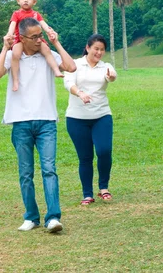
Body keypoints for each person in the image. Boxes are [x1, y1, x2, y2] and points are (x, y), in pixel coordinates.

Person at [0, 17, 76, 233]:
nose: (39, 40)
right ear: (23, 37)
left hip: (46, 120)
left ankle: (53, 217)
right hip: (20, 121)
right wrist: (4, 48)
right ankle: (31, 216)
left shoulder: (48, 54)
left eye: (41, 35)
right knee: (25, 172)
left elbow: (71, 66)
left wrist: (55, 42)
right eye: (35, 37)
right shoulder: (13, 56)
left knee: (49, 170)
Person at [63, 34, 117, 206]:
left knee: (104, 150)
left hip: (101, 115)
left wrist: (112, 77)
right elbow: (68, 82)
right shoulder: (75, 64)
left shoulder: (105, 66)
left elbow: (112, 76)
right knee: (85, 157)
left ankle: (104, 187)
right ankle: (87, 193)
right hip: (76, 118)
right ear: (88, 48)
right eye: (96, 49)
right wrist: (80, 93)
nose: (99, 52)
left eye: (102, 49)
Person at [6, 0, 63, 92]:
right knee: (15, 54)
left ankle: (56, 70)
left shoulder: (36, 14)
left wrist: (49, 31)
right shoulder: (16, 14)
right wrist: (10, 34)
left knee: (46, 50)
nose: (26, 0)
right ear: (18, 1)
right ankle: (15, 80)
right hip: (20, 39)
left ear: (35, 1)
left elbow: (43, 24)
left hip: (35, 39)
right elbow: (12, 25)